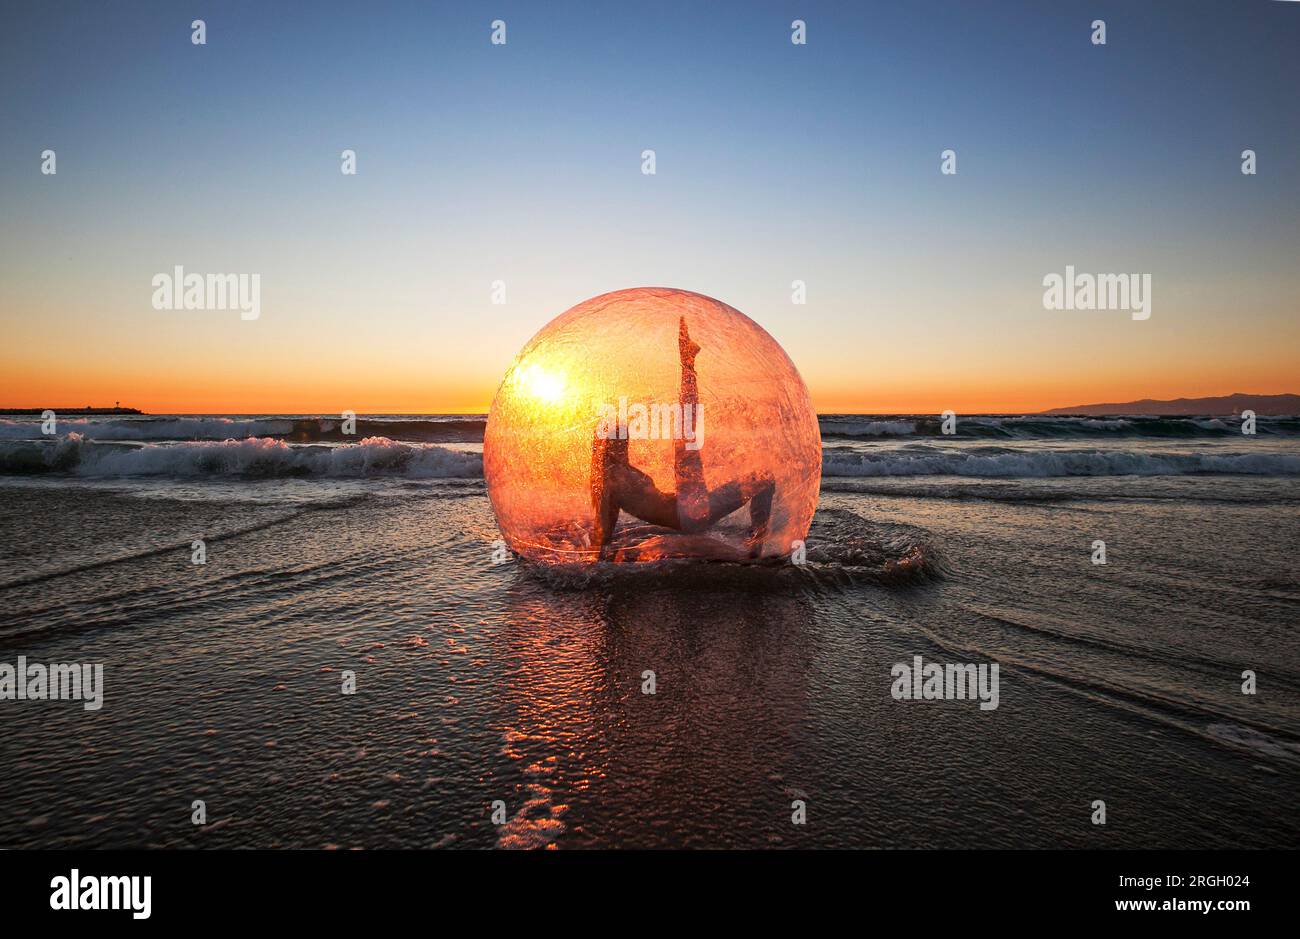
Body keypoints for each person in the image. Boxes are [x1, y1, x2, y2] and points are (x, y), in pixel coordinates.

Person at [590, 316, 776, 558]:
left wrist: (601, 550)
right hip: (687, 512)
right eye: (620, 439)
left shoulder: (618, 475)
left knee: (764, 479)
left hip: (693, 510)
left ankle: (756, 545)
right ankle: (687, 363)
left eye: (623, 438)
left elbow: (614, 523)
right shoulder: (609, 482)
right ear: (607, 444)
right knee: (685, 437)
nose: (625, 443)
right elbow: (604, 526)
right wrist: (597, 555)